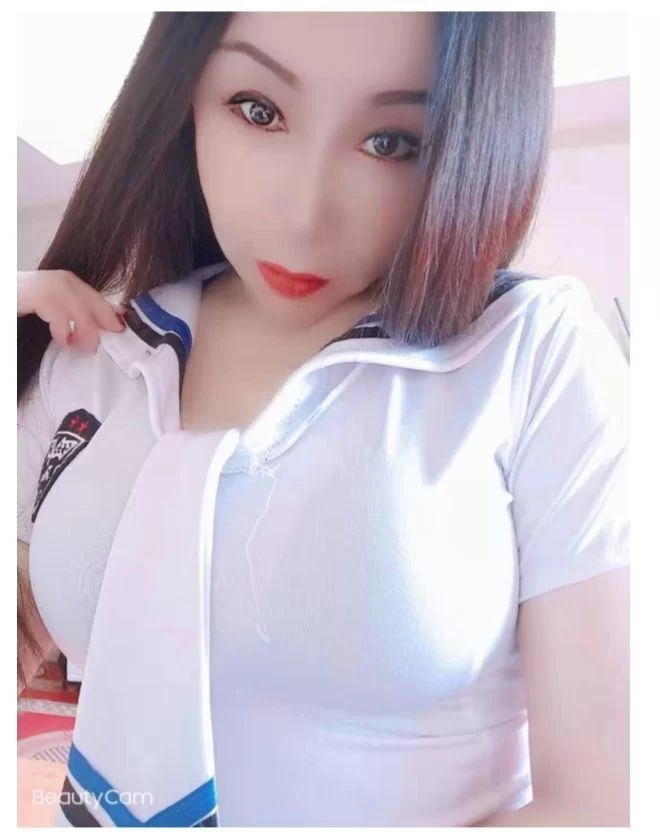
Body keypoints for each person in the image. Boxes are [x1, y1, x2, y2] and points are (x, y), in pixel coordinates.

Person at [17, 11, 629, 828]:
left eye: (392, 142)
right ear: (183, 93)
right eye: (259, 110)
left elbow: (602, 801)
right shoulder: (96, 349)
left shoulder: (531, 354)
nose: (305, 215)